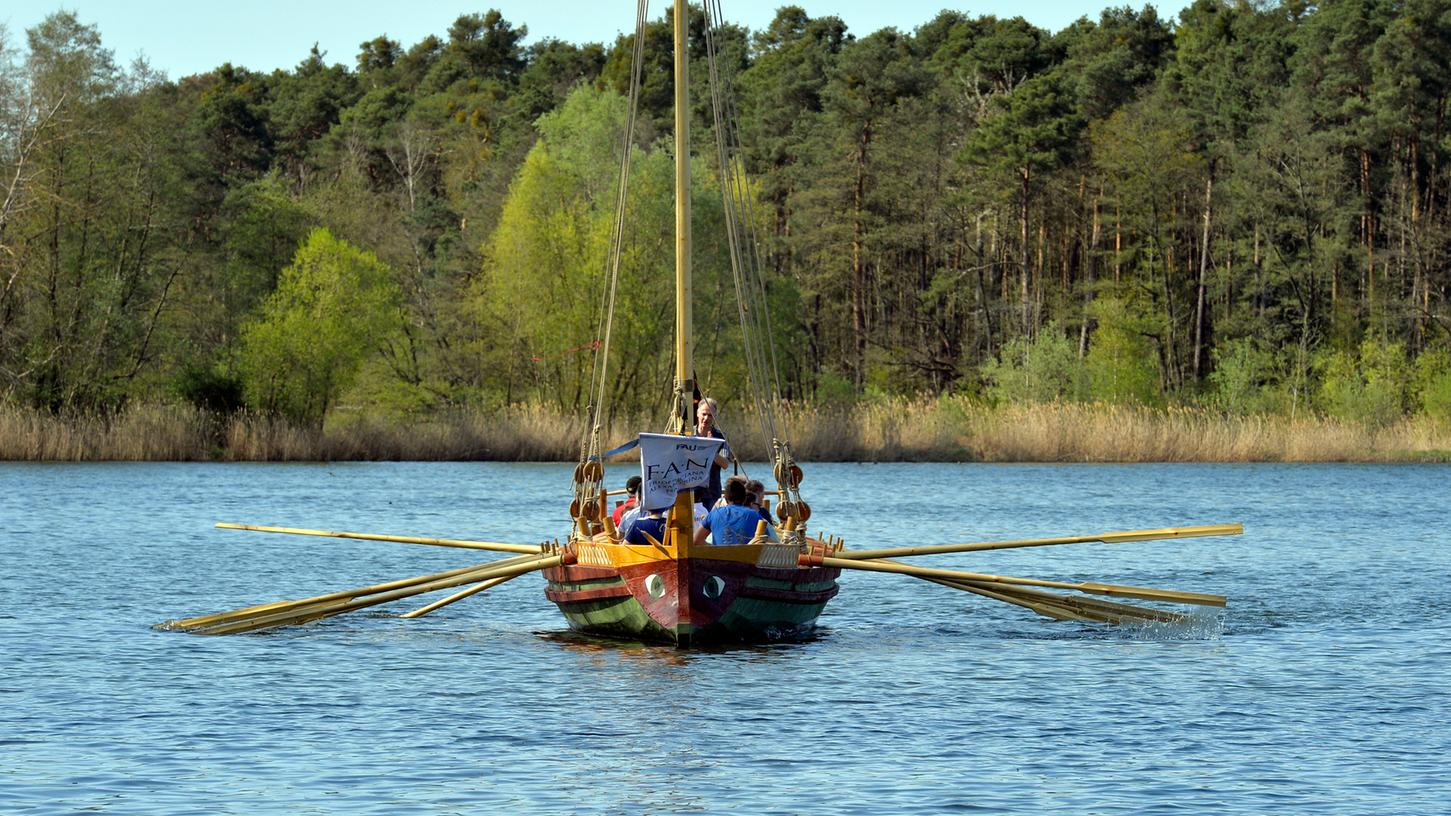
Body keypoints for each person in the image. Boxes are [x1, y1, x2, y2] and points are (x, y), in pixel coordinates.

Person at [694, 477, 760, 546]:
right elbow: (766, 541)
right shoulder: (754, 515)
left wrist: (713, 548)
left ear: (726, 498)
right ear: (744, 498)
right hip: (746, 555)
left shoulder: (714, 513)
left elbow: (696, 541)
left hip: (718, 556)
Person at [693, 397, 731, 510]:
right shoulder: (687, 435)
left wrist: (710, 449)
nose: (706, 418)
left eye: (710, 415)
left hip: (711, 494)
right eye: (704, 414)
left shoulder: (721, 437)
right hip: (688, 491)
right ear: (697, 414)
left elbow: (725, 464)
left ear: (715, 417)